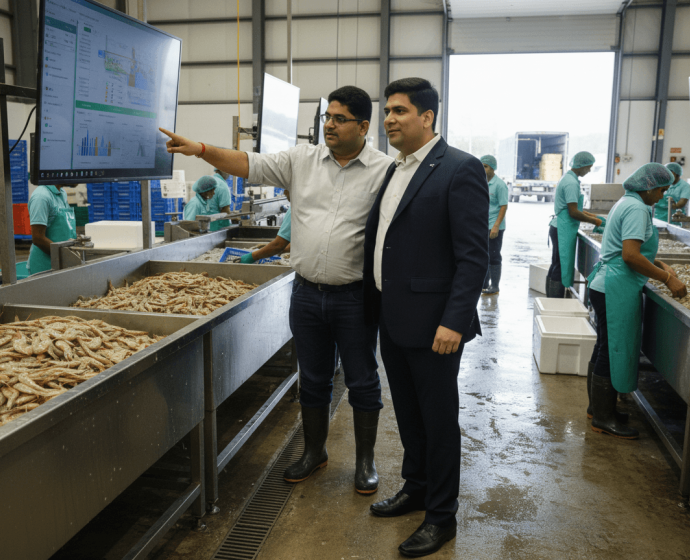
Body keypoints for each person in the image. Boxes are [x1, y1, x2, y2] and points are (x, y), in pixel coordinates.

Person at [160, 85, 394, 495]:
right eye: (327, 118)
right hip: (306, 295)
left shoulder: (385, 170)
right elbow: (247, 163)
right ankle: (314, 452)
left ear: (363, 126)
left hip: (355, 298)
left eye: (340, 119)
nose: (330, 125)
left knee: (362, 380)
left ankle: (365, 461)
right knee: (313, 379)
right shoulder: (301, 160)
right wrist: (201, 150)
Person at [364, 78, 488, 557]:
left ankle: (441, 516)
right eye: (387, 111)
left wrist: (454, 320)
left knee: (438, 424)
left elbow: (473, 257)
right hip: (393, 317)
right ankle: (416, 488)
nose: (389, 119)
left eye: (399, 111)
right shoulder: (395, 169)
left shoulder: (459, 168)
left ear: (427, 117)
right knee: (409, 416)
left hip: (436, 325)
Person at [586, 163, 686, 439]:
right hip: (615, 286)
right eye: (662, 190)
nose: (663, 196)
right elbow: (630, 255)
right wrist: (667, 279)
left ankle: (598, 409)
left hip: (606, 283)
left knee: (605, 345)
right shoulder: (638, 209)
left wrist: (659, 264)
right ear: (650, 187)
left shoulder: (626, 201)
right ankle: (603, 418)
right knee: (612, 349)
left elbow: (628, 248)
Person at [546, 151, 603, 298]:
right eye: (588, 167)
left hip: (560, 225)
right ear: (581, 166)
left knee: (556, 263)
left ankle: (551, 298)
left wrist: (592, 215)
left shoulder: (568, 178)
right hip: (562, 228)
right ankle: (555, 300)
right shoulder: (571, 183)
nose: (589, 170)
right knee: (560, 265)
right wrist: (594, 221)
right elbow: (573, 212)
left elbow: (573, 208)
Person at [27, 183, 77, 275]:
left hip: (62, 264)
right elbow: (38, 238)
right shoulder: (41, 197)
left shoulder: (62, 193)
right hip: (46, 268)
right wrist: (68, 257)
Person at [480, 155, 508, 296]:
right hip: (483, 225)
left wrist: (496, 226)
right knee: (483, 255)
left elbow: (503, 206)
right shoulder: (481, 182)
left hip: (495, 226)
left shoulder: (500, 185)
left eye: (485, 166)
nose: (482, 169)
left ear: (493, 168)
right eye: (481, 166)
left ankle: (495, 286)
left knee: (494, 255)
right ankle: (484, 284)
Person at [240, 197, 291, 264]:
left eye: (287, 192)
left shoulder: (293, 210)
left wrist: (252, 256)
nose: (285, 193)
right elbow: (289, 246)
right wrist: (268, 250)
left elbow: (278, 245)